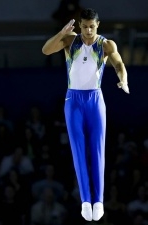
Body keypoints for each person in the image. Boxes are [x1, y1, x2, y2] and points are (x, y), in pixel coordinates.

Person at [42, 8, 129, 221]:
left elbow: (119, 64)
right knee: (78, 151)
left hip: (96, 101)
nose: (88, 30)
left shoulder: (106, 45)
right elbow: (45, 50)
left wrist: (123, 79)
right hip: (73, 102)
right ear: (80, 25)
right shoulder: (70, 41)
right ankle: (86, 201)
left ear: (97, 25)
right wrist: (62, 33)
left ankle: (98, 200)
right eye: (85, 26)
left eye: (92, 26)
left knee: (97, 150)